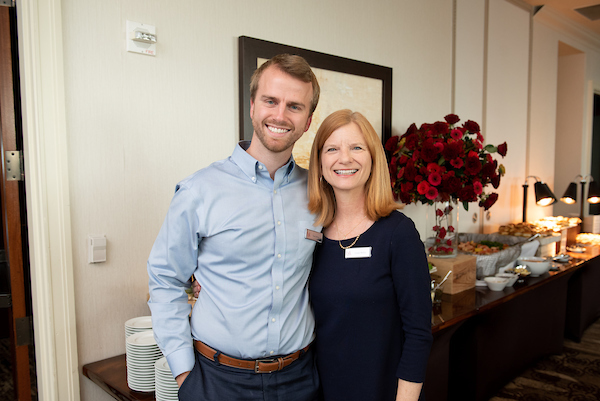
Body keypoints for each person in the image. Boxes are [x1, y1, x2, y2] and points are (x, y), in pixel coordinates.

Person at [147, 53, 322, 401]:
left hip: (301, 379)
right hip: (218, 381)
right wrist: (185, 376)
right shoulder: (200, 190)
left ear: (307, 121)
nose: (280, 115)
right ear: (253, 105)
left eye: (295, 106)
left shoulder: (319, 193)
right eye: (271, 101)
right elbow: (165, 280)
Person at [307, 109, 433, 401]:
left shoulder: (398, 234)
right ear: (320, 162)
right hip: (324, 390)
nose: (345, 158)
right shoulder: (312, 235)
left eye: (356, 147)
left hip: (385, 391)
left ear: (373, 158)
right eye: (332, 149)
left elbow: (418, 333)